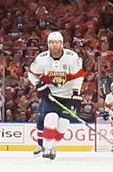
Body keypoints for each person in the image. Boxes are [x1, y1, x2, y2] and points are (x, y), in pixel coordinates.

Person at [25, 30, 84, 160]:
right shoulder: (41, 59)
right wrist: (39, 85)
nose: (55, 45)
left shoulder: (72, 57)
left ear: (62, 44)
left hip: (68, 96)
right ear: (48, 44)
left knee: (63, 125)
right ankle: (46, 148)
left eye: (57, 42)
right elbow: (31, 73)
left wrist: (76, 93)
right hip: (51, 96)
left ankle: (52, 146)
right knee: (50, 119)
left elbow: (79, 76)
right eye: (52, 42)